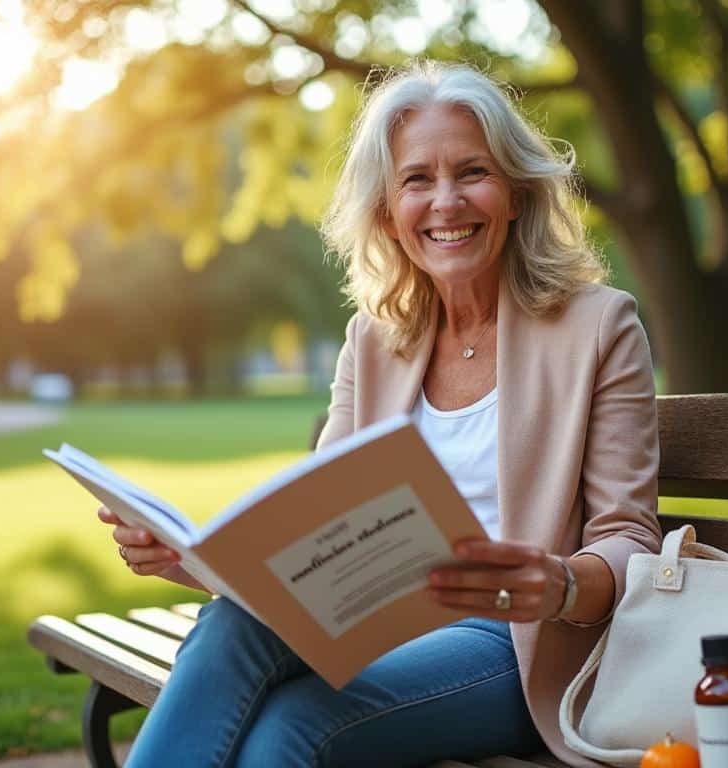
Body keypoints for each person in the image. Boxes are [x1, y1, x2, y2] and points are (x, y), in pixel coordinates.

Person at [98, 61, 662, 767]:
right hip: (373, 621)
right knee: (231, 624)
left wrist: (561, 580)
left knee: (290, 725)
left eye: (472, 172)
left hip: (515, 646)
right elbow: (313, 535)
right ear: (388, 216)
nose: (446, 202)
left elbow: (628, 536)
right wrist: (190, 561)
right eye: (417, 180)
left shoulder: (598, 327)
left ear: (516, 192)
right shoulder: (374, 341)